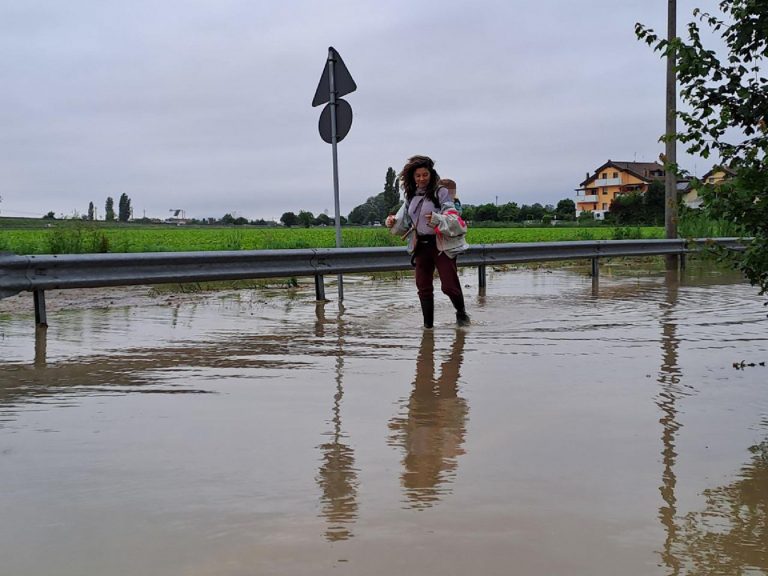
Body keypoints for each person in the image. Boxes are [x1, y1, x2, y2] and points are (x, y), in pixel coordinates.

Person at [385, 155, 470, 328]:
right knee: (423, 287)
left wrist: (437, 219)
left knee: (448, 286)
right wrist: (392, 221)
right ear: (413, 178)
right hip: (421, 246)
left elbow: (453, 216)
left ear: (431, 174)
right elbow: (404, 223)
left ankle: (461, 314)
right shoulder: (410, 197)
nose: (422, 178)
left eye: (425, 174)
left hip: (440, 245)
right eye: (418, 175)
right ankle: (428, 328)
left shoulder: (441, 193)